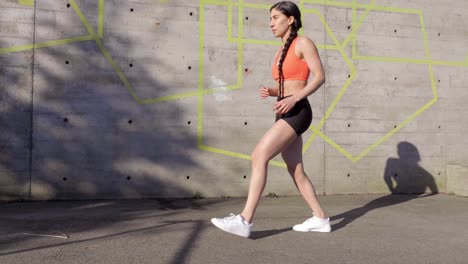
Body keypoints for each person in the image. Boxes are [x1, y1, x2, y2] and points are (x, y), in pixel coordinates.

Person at [211, 1, 330, 238]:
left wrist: (294, 99)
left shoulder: (303, 42)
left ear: (291, 19)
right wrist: (273, 91)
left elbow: (319, 77)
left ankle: (244, 220)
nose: (271, 23)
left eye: (275, 18)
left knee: (259, 156)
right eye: (270, 19)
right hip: (285, 110)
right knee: (296, 169)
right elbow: (289, 83)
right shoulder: (280, 50)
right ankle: (320, 218)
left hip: (298, 112)